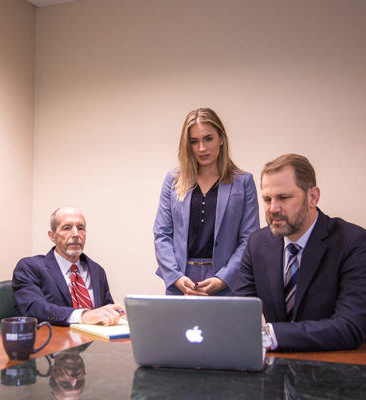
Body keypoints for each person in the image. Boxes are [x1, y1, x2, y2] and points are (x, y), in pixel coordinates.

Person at [233, 154, 366, 352]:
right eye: (267, 199)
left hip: (332, 369)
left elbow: (350, 327)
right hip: (273, 370)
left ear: (313, 197)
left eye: (284, 198)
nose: (273, 208)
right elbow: (237, 313)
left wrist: (270, 335)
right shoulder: (257, 243)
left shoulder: (352, 242)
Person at [154, 107, 259, 296]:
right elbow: (162, 234)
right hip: (182, 281)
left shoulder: (243, 182)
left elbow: (249, 239)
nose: (202, 148)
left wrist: (223, 278)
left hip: (226, 281)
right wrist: (176, 277)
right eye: (194, 142)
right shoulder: (173, 180)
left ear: (221, 138)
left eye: (208, 138)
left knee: (225, 327)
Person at [13, 206, 125, 326]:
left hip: (95, 342)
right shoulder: (30, 267)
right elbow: (34, 309)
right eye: (67, 228)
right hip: (55, 341)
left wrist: (116, 314)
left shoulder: (97, 271)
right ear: (52, 236)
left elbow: (105, 312)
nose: (76, 234)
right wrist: (82, 316)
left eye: (80, 228)